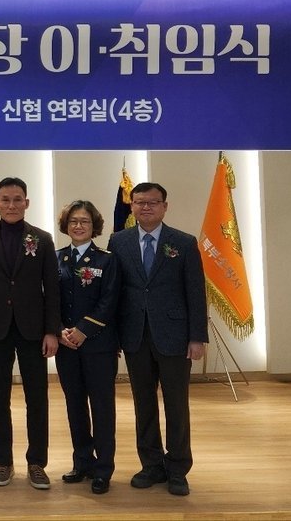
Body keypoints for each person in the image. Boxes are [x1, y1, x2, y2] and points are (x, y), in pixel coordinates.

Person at [106, 182, 207, 497]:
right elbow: (113, 292)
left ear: (165, 206)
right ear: (132, 206)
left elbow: (195, 292)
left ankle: (178, 468)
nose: (145, 207)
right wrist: (113, 336)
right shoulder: (118, 241)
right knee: (143, 403)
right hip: (134, 335)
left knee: (176, 404)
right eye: (139, 202)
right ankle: (151, 465)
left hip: (175, 336)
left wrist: (197, 337)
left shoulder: (183, 242)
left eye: (152, 202)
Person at [0, 177, 60, 489]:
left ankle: (37, 463)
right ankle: (3, 462)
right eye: (5, 200)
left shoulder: (42, 239)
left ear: (27, 203)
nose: (11, 205)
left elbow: (52, 289)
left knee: (37, 399)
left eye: (17, 199)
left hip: (33, 330)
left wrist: (52, 331)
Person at [55, 200, 121, 495]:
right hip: (66, 346)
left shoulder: (107, 260)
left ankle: (103, 468)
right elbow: (49, 300)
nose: (78, 226)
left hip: (99, 346)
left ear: (94, 226)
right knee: (75, 405)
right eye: (73, 221)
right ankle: (82, 462)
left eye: (84, 221)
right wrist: (58, 329)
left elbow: (110, 301)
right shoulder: (56, 258)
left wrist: (83, 330)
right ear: (65, 225)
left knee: (102, 408)